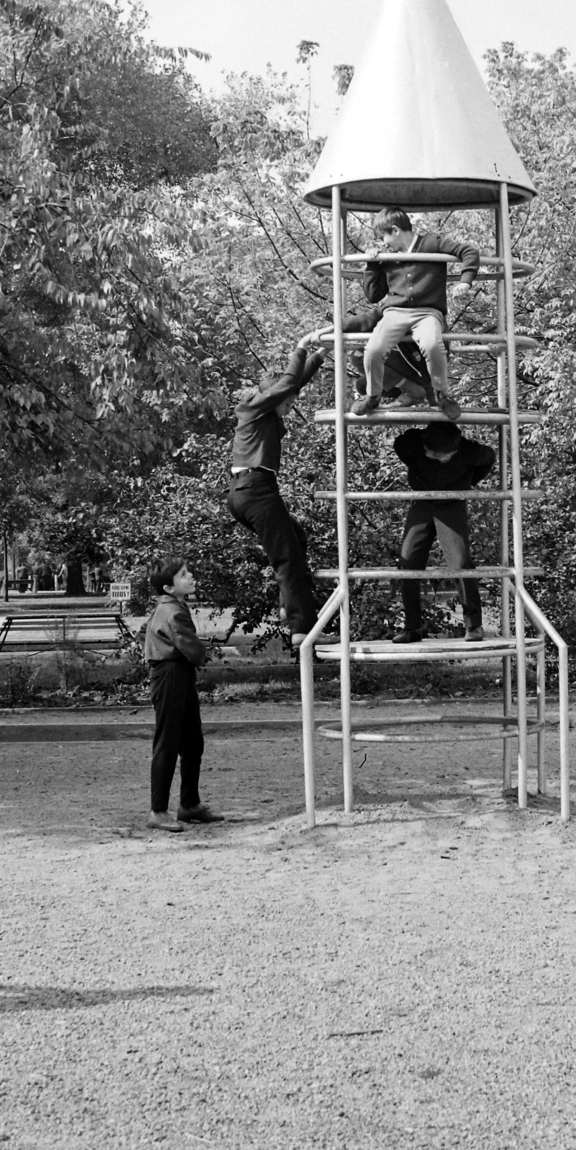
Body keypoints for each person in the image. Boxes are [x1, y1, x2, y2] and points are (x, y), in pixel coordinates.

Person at [228, 341, 325, 640]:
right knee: (288, 557)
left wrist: (318, 357)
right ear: (272, 398)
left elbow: (292, 385)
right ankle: (302, 628)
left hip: (249, 491)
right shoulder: (252, 408)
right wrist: (299, 349)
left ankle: (288, 608)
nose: (290, 407)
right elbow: (286, 384)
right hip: (256, 491)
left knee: (296, 538)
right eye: (287, 402)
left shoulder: (266, 414)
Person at [351, 208, 479, 420]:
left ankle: (441, 394)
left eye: (384, 237)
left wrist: (465, 281)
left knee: (431, 345)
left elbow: (468, 251)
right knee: (373, 348)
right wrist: (372, 264)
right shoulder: (389, 257)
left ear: (395, 230)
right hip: (395, 312)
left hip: (427, 312)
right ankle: (373, 395)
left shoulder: (430, 244)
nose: (384, 243)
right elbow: (373, 295)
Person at [392, 422, 495, 643]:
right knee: (408, 561)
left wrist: (466, 482)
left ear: (455, 450)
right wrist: (417, 473)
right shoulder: (413, 443)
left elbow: (488, 459)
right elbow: (400, 446)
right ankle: (412, 627)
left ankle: (473, 625)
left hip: (451, 505)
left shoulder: (471, 451)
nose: (435, 457)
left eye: (441, 455)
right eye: (430, 454)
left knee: (460, 562)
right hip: (422, 502)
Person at [143, 557, 218, 830]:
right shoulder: (172, 611)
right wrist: (203, 654)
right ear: (169, 588)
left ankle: (189, 805)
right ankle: (158, 811)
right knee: (168, 743)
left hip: (179, 674)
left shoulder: (172, 605)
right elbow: (190, 647)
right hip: (171, 675)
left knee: (192, 742)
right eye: (184, 575)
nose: (191, 576)